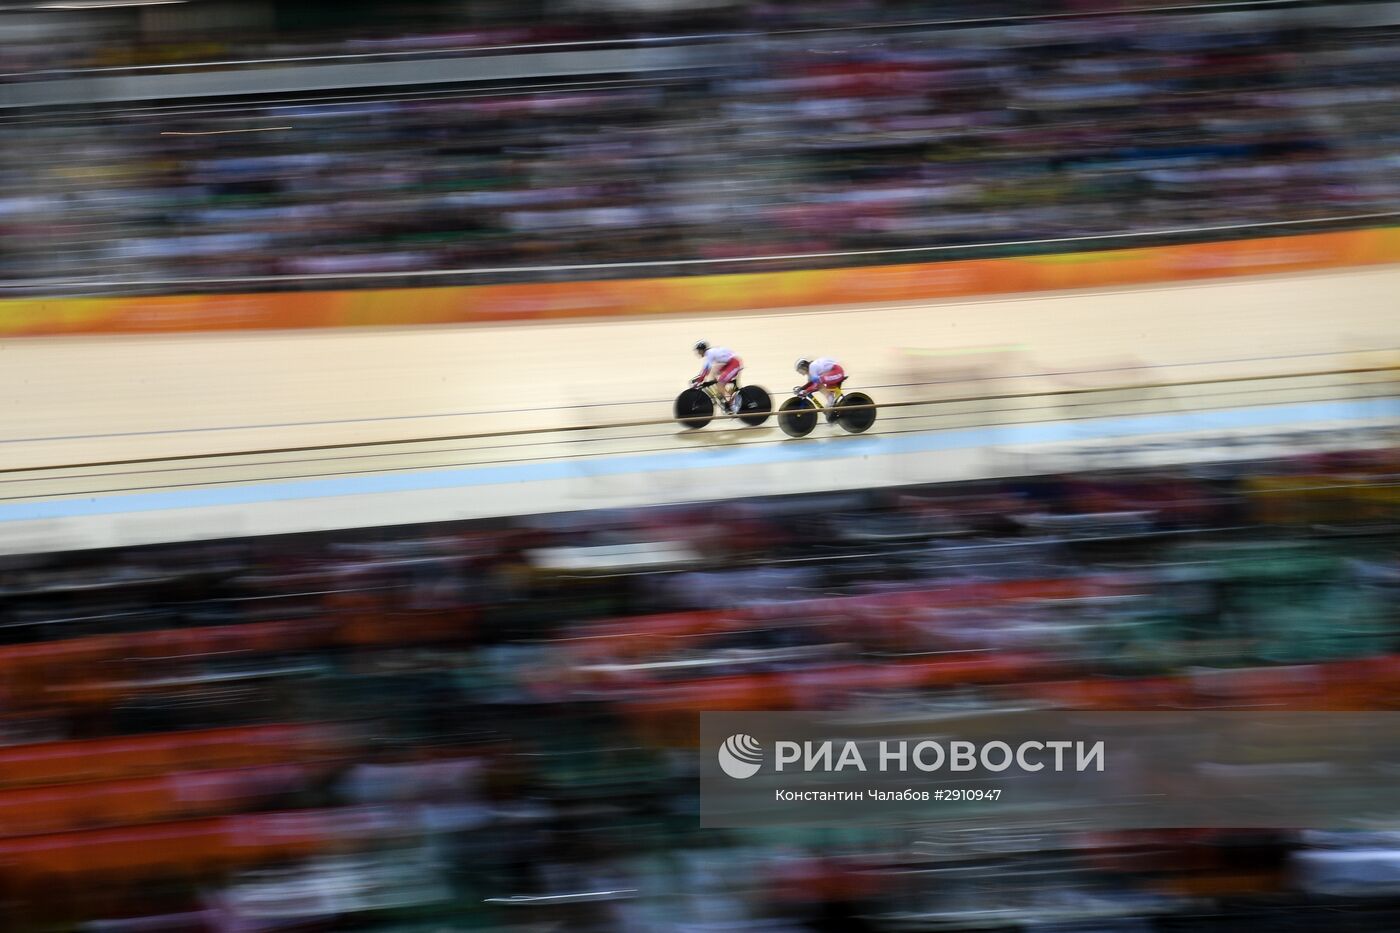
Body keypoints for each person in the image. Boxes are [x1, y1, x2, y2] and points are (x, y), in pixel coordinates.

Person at [692, 340, 744, 413]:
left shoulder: (709, 353)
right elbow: (707, 369)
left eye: (698, 351)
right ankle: (725, 397)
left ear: (701, 349)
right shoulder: (710, 352)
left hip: (734, 363)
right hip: (730, 363)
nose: (698, 353)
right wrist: (701, 378)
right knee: (715, 374)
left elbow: (706, 369)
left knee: (720, 384)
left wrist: (699, 380)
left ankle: (731, 404)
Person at [794, 357, 847, 423]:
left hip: (837, 372)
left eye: (799, 371)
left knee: (819, 381)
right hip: (833, 372)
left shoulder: (812, 367)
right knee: (819, 383)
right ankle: (832, 404)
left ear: (803, 367)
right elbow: (810, 383)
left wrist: (805, 391)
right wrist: (801, 389)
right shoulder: (810, 371)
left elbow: (816, 384)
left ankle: (831, 401)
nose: (800, 373)